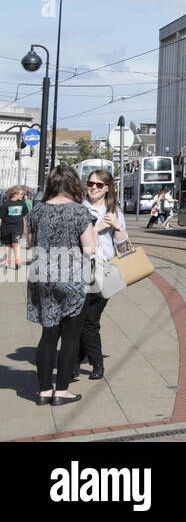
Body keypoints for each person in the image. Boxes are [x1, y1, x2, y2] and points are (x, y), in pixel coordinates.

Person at [26, 165, 97, 405]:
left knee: (48, 335)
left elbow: (29, 244)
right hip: (72, 279)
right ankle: (62, 391)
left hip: (43, 277)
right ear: (74, 184)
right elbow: (89, 249)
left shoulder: (36, 211)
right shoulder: (79, 212)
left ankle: (44, 391)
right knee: (70, 337)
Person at [79, 168, 128, 381]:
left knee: (90, 319)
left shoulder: (114, 211)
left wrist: (117, 227)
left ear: (107, 187)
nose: (93, 188)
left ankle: (95, 363)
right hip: (80, 267)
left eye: (99, 185)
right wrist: (97, 229)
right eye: (90, 183)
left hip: (106, 269)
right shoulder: (79, 208)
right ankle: (80, 361)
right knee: (79, 318)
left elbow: (123, 247)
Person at [3, 185, 27, 269]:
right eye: (21, 193)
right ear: (15, 194)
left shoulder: (22, 204)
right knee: (8, 245)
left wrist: (24, 227)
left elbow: (24, 217)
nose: (22, 195)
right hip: (6, 228)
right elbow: (1, 217)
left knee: (15, 243)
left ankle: (17, 261)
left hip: (17, 227)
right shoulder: (6, 205)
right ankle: (7, 261)